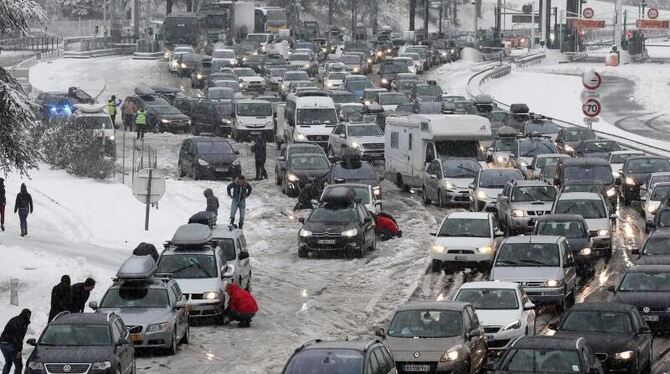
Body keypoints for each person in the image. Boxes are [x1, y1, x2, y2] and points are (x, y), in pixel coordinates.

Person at [0, 309, 31, 374]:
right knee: (18, 365)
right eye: (29, 315)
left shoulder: (14, 319)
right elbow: (19, 337)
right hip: (12, 344)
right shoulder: (23, 322)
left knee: (8, 363)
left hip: (2, 343)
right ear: (27, 315)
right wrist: (19, 350)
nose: (30, 317)